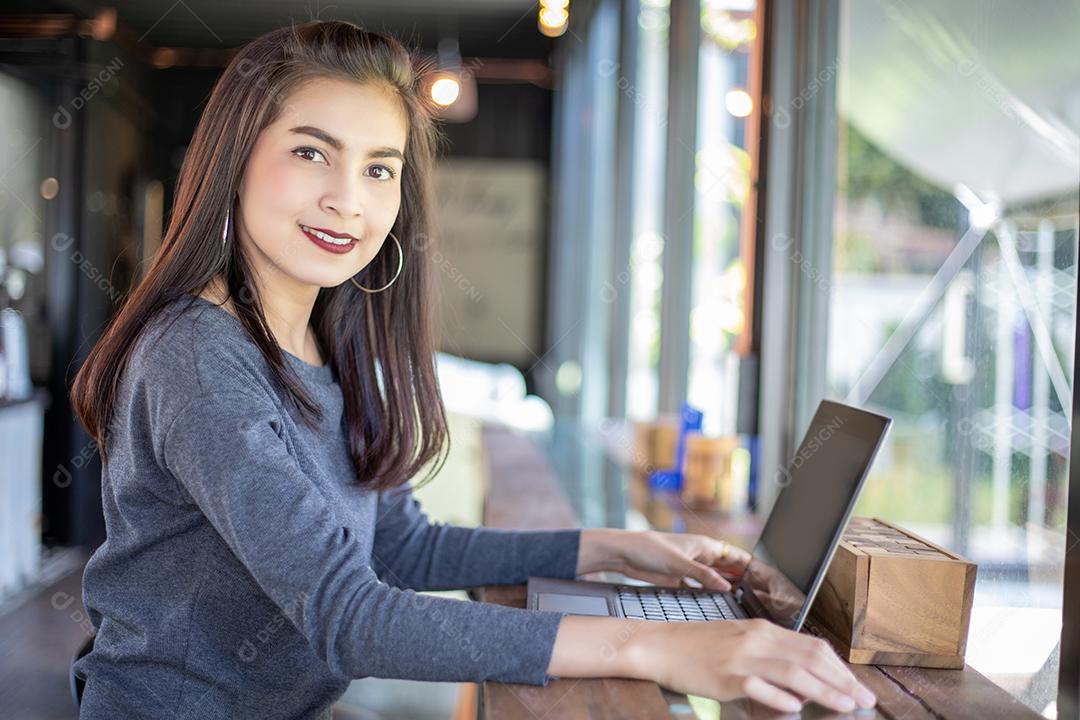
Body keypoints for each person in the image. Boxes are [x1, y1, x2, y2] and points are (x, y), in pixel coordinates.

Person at [69, 19, 877, 718]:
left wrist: (605, 549)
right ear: (235, 161)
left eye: (379, 168)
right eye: (313, 153)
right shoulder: (199, 358)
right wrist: (655, 648)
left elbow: (401, 549)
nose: (349, 199)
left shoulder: (329, 340)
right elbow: (350, 616)